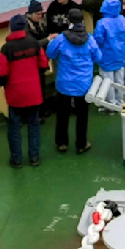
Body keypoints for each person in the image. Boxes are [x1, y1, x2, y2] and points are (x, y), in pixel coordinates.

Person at [0, 13, 49, 168]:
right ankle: (34, 157)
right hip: (33, 93)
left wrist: (4, 84)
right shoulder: (34, 44)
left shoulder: (7, 48)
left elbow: (1, 71)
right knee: (33, 125)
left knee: (14, 127)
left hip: (15, 95)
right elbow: (44, 64)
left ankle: (17, 159)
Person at [46, 8, 102, 154]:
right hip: (83, 84)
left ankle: (62, 143)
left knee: (62, 114)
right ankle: (81, 144)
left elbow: (50, 53)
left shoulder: (61, 39)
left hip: (64, 83)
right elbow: (98, 57)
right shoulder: (89, 39)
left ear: (69, 21)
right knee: (82, 116)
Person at [25, 0, 57, 120]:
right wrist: (48, 40)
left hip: (40, 60)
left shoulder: (38, 23)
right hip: (32, 63)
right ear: (31, 14)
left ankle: (41, 111)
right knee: (35, 88)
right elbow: (31, 45)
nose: (40, 16)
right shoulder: (26, 27)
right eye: (38, 14)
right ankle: (36, 114)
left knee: (41, 85)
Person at [93, 0, 125, 89]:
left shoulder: (102, 23)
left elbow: (98, 40)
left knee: (108, 83)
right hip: (120, 54)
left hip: (106, 56)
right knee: (120, 80)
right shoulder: (123, 20)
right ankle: (120, 101)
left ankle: (111, 101)